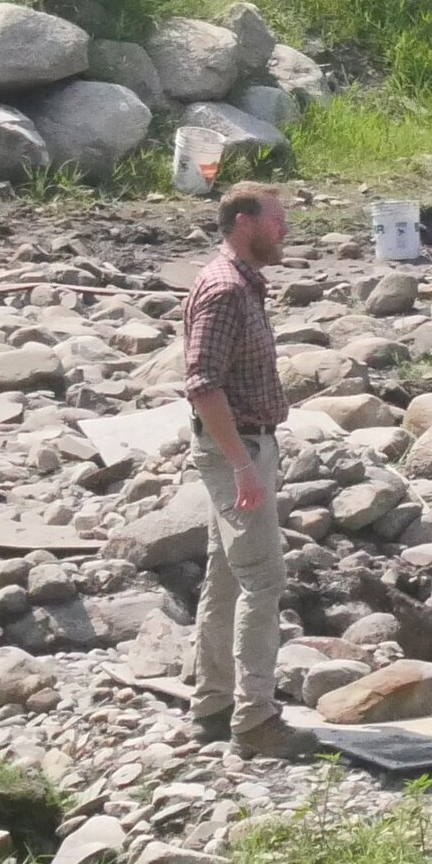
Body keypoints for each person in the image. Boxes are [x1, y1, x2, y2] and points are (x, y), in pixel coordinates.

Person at [180, 182, 318, 760]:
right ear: (243, 222)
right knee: (265, 582)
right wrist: (242, 465)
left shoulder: (240, 285)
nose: (285, 230)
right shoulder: (226, 290)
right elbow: (202, 384)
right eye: (277, 219)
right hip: (237, 451)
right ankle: (255, 718)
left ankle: (211, 705)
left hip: (240, 447)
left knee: (227, 578)